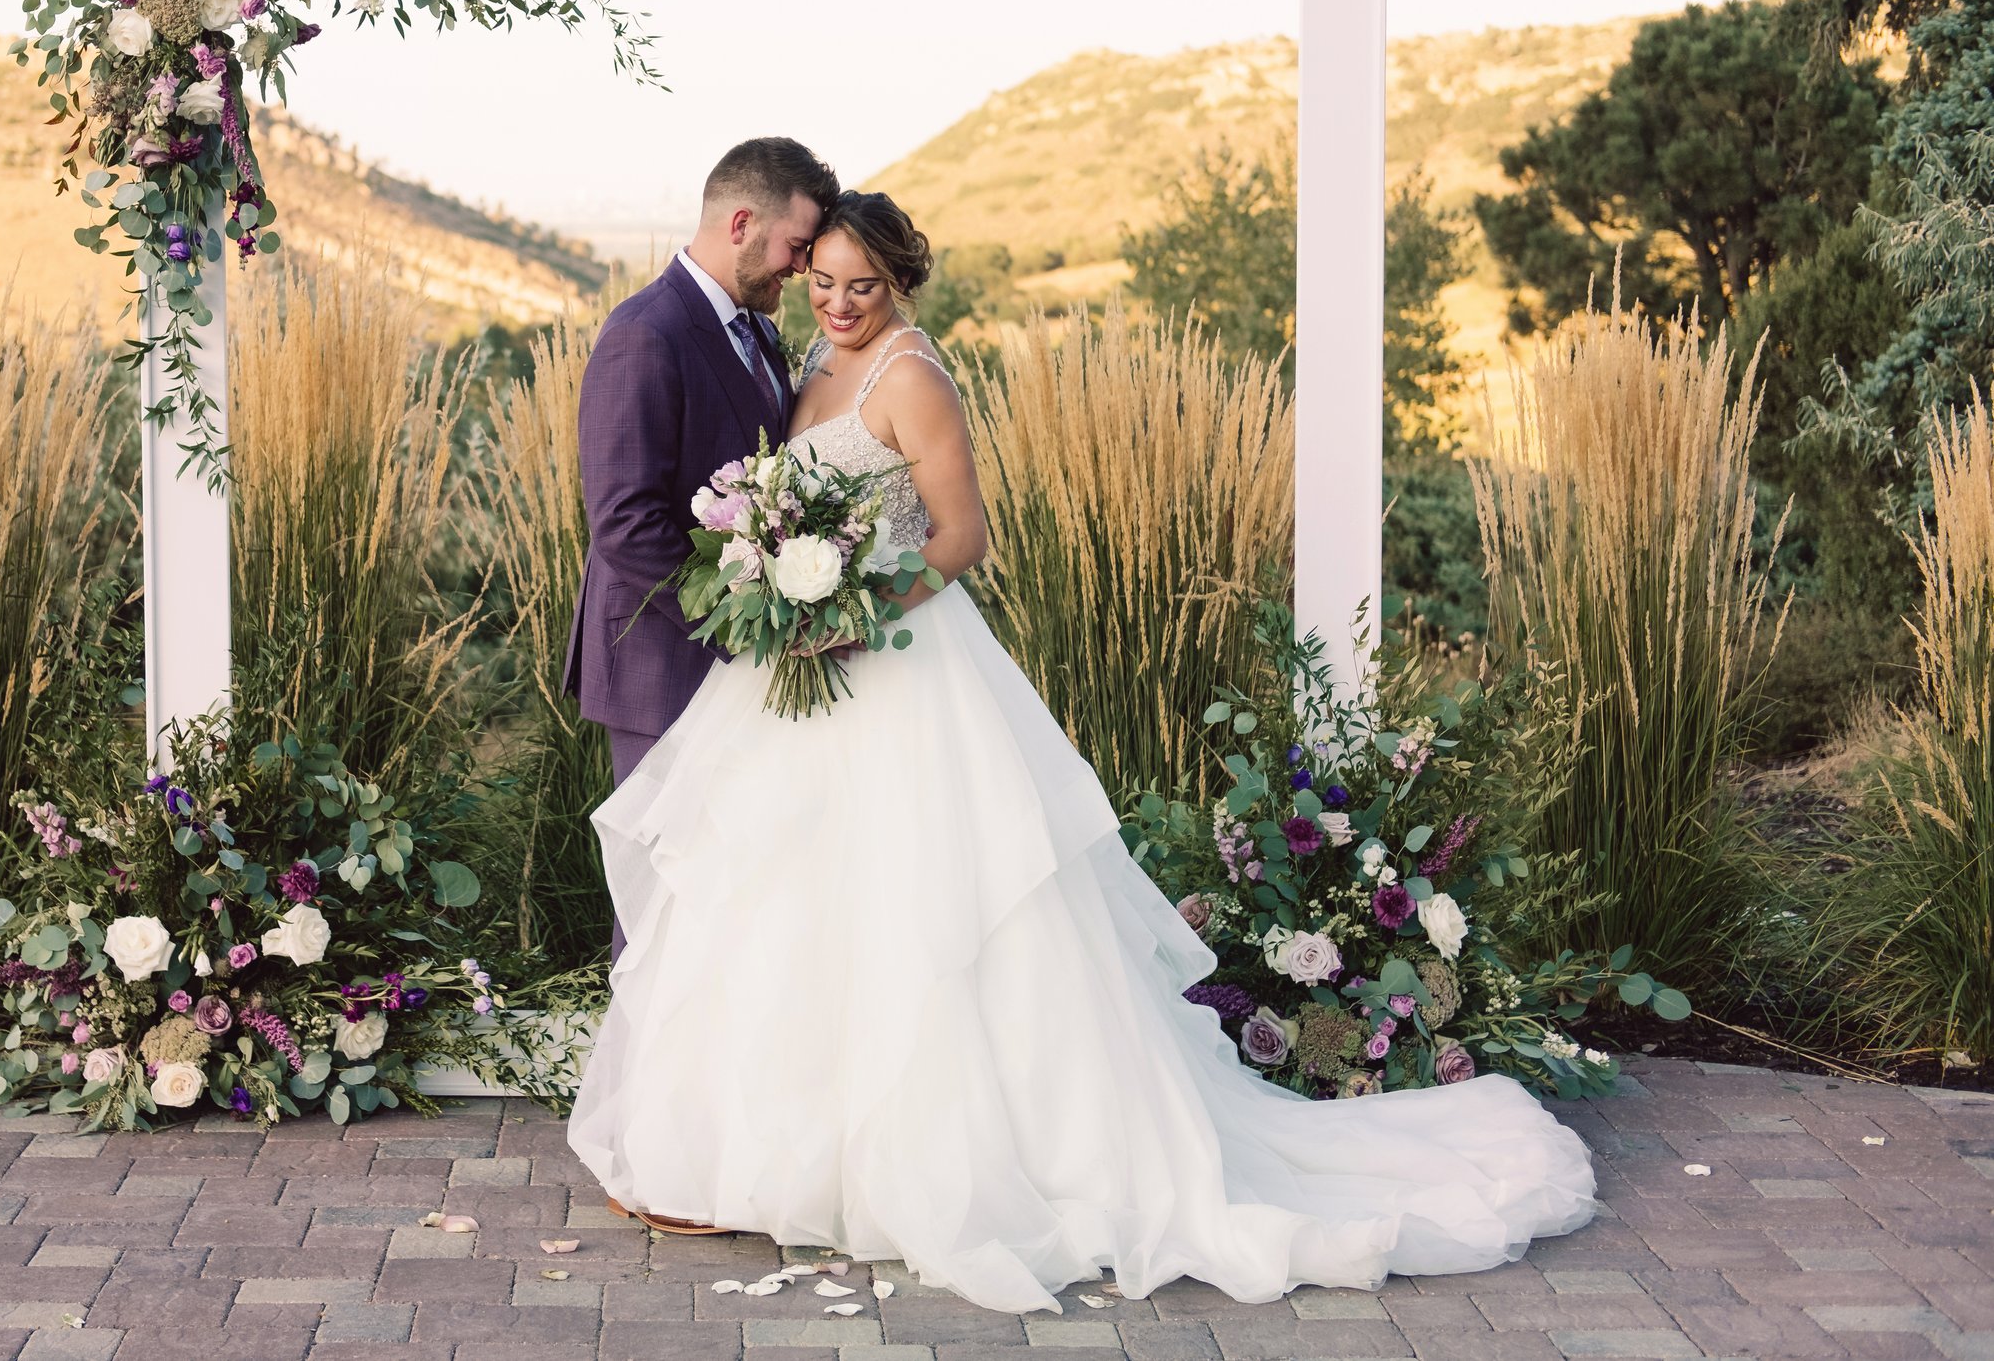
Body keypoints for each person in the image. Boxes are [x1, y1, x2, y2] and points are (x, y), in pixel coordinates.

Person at [564, 190, 1598, 1313]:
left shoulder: (909, 374)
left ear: (899, 281)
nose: (840, 300)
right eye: (823, 279)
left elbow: (962, 536)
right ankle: (771, 1147)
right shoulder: (802, 354)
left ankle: (956, 1158)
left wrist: (859, 610)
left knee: (936, 918)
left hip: (901, 667)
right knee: (794, 905)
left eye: (863, 284)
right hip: (802, 680)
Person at [564, 134, 840, 965]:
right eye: (796, 247)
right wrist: (752, 607)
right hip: (662, 661)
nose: (800, 268)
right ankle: (638, 1091)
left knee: (727, 888)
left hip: (737, 669)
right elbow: (624, 523)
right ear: (743, 222)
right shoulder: (646, 331)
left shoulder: (754, 326)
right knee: (661, 897)